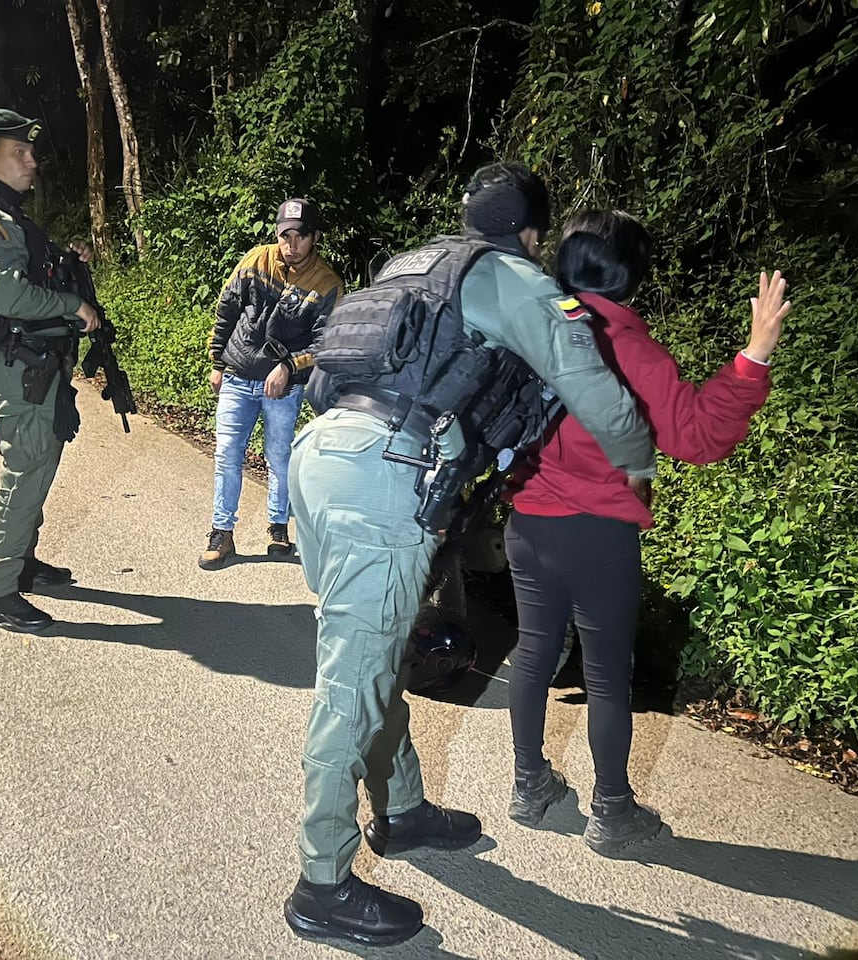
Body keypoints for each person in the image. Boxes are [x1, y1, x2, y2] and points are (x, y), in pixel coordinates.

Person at [282, 163, 658, 947]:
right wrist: (638, 461)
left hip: (324, 455)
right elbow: (595, 391)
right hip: (386, 472)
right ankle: (321, 884)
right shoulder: (514, 277)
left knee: (372, 653)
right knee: (352, 678)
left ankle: (405, 808)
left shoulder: (411, 264)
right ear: (530, 233)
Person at [503, 209, 790, 855]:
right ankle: (612, 811)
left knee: (533, 651)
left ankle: (529, 785)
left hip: (527, 522)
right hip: (600, 535)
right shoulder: (634, 352)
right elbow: (699, 436)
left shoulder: (528, 333)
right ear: (630, 275)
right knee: (605, 675)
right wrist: (755, 354)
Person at [0, 108, 102, 634]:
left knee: (38, 468)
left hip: (41, 365)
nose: (32, 162)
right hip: (23, 366)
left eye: (31, 152)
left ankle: (22, 562)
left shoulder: (9, 213)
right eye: (20, 153)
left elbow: (30, 269)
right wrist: (73, 306)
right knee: (25, 472)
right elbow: (9, 293)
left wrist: (68, 258)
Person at [198, 198, 343, 569]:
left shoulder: (327, 283)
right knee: (227, 455)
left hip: (283, 386)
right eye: (284, 236)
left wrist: (289, 366)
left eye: (299, 236)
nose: (290, 245)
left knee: (279, 459)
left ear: (315, 238)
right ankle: (221, 533)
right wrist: (217, 361)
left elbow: (325, 342)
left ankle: (278, 529)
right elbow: (227, 307)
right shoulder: (255, 260)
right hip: (237, 375)